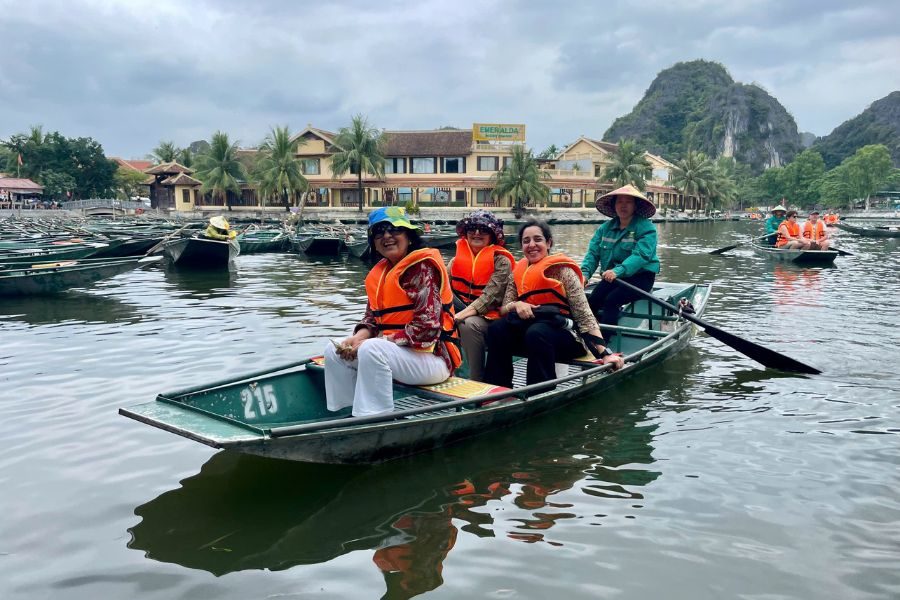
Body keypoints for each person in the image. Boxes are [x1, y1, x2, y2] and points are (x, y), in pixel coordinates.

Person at [324, 207, 461, 416]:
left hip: (432, 359)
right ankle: (344, 411)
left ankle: (374, 416)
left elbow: (427, 329)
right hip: (398, 355)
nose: (387, 236)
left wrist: (380, 342)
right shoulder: (380, 272)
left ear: (408, 235)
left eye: (394, 229)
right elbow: (372, 317)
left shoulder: (422, 268)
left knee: (371, 349)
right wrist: (358, 337)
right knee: (333, 350)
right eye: (379, 232)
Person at [483, 219, 623, 389]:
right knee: (497, 329)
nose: (532, 245)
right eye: (526, 241)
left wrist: (605, 353)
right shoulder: (518, 272)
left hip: (567, 336)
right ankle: (498, 389)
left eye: (538, 239)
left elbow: (584, 314)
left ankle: (539, 392)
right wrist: (516, 305)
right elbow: (505, 308)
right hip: (531, 334)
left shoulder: (564, 271)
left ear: (548, 243)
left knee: (537, 332)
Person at [581, 184, 660, 345]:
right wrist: (584, 274)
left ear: (635, 206)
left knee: (612, 300)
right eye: (619, 202)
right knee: (593, 300)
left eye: (628, 202)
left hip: (641, 277)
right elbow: (593, 254)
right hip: (614, 277)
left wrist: (619, 270)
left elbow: (641, 255)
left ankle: (604, 344)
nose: (623, 205)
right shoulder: (605, 228)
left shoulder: (646, 228)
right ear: (613, 205)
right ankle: (586, 336)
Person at [447, 210, 514, 382]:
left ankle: (476, 379)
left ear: (492, 235)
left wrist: (459, 315)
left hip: (492, 317)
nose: (477, 233)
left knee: (468, 324)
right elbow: (444, 289)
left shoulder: (502, 261)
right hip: (461, 311)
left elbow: (491, 296)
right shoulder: (455, 262)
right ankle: (446, 372)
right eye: (472, 229)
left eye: (483, 230)